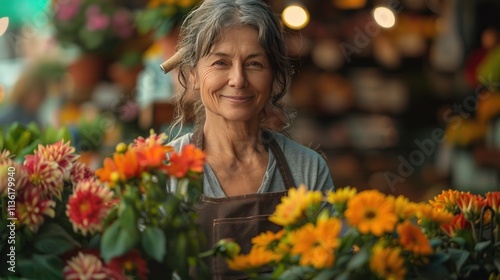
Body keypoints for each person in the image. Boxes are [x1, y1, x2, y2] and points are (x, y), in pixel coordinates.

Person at [163, 0, 335, 278]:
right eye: (220, 62)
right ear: (193, 75)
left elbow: (332, 266)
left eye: (254, 63)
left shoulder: (307, 169)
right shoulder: (164, 169)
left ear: (274, 75)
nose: (238, 79)